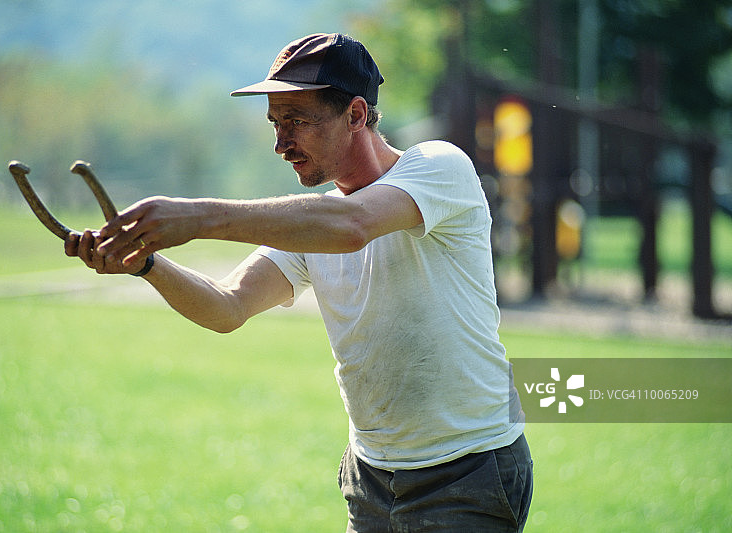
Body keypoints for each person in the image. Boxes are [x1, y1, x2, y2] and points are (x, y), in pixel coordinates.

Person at [66, 32, 532, 532]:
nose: (280, 143)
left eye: (297, 121)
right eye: (274, 123)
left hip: (468, 470)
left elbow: (352, 227)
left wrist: (198, 216)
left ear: (356, 115)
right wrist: (146, 264)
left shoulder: (441, 168)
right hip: (370, 476)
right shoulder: (312, 222)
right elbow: (228, 307)